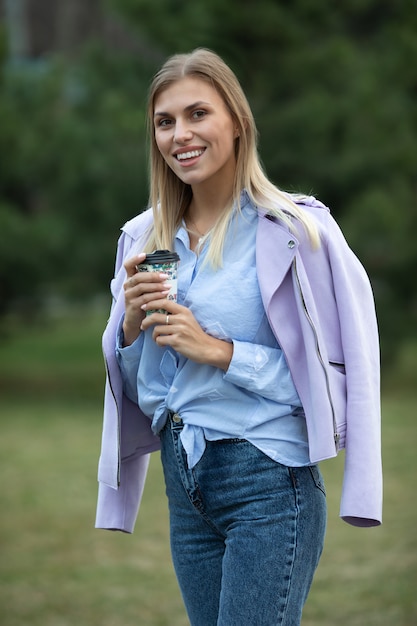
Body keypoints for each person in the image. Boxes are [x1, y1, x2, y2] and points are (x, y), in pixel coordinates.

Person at [95, 48, 382, 625]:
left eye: (198, 114)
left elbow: (331, 382)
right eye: (165, 121)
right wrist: (129, 326)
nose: (181, 134)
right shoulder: (145, 237)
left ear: (237, 122)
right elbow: (141, 390)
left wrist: (221, 353)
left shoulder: (299, 231)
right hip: (186, 483)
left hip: (269, 483)